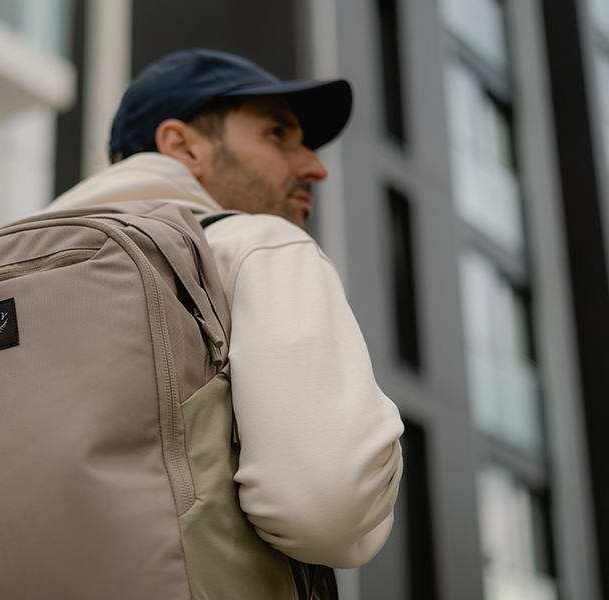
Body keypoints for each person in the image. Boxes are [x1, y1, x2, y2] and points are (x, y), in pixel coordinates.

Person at [45, 49, 404, 571]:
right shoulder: (255, 244)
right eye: (278, 135)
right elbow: (324, 505)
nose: (316, 166)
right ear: (181, 145)